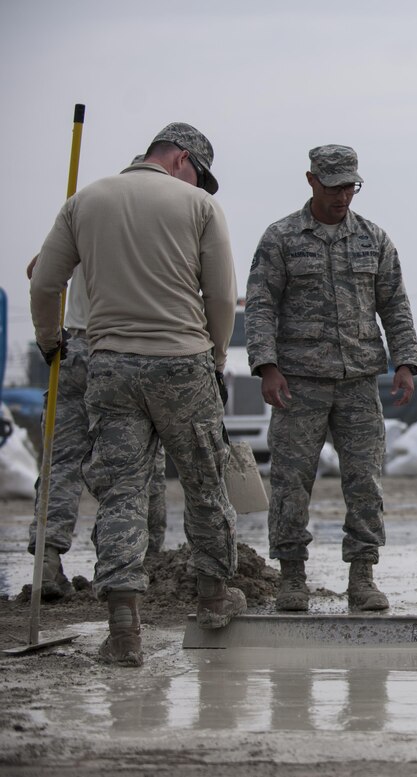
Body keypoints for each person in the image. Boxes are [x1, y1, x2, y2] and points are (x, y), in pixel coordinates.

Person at [30, 122, 246, 667]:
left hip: (109, 365)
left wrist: (50, 341)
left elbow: (43, 281)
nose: (201, 183)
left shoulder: (86, 200)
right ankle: (215, 599)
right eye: (199, 172)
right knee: (202, 482)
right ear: (178, 158)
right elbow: (221, 294)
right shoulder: (198, 207)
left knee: (120, 492)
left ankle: (123, 629)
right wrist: (216, 357)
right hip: (181, 362)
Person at [246, 144, 417, 613]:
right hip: (297, 383)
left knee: (364, 480)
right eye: (334, 186)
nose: (343, 195)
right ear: (311, 180)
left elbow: (395, 305)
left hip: (359, 381)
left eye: (351, 186)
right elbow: (260, 304)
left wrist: (406, 362)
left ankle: (362, 577)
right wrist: (266, 366)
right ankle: (291, 577)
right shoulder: (280, 238)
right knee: (290, 482)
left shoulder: (374, 239)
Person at [25, 202, 170, 600]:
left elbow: (39, 272)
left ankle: (48, 563)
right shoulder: (165, 224)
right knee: (138, 463)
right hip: (133, 349)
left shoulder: (88, 219)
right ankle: (140, 563)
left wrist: (50, 339)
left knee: (62, 459)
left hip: (77, 345)